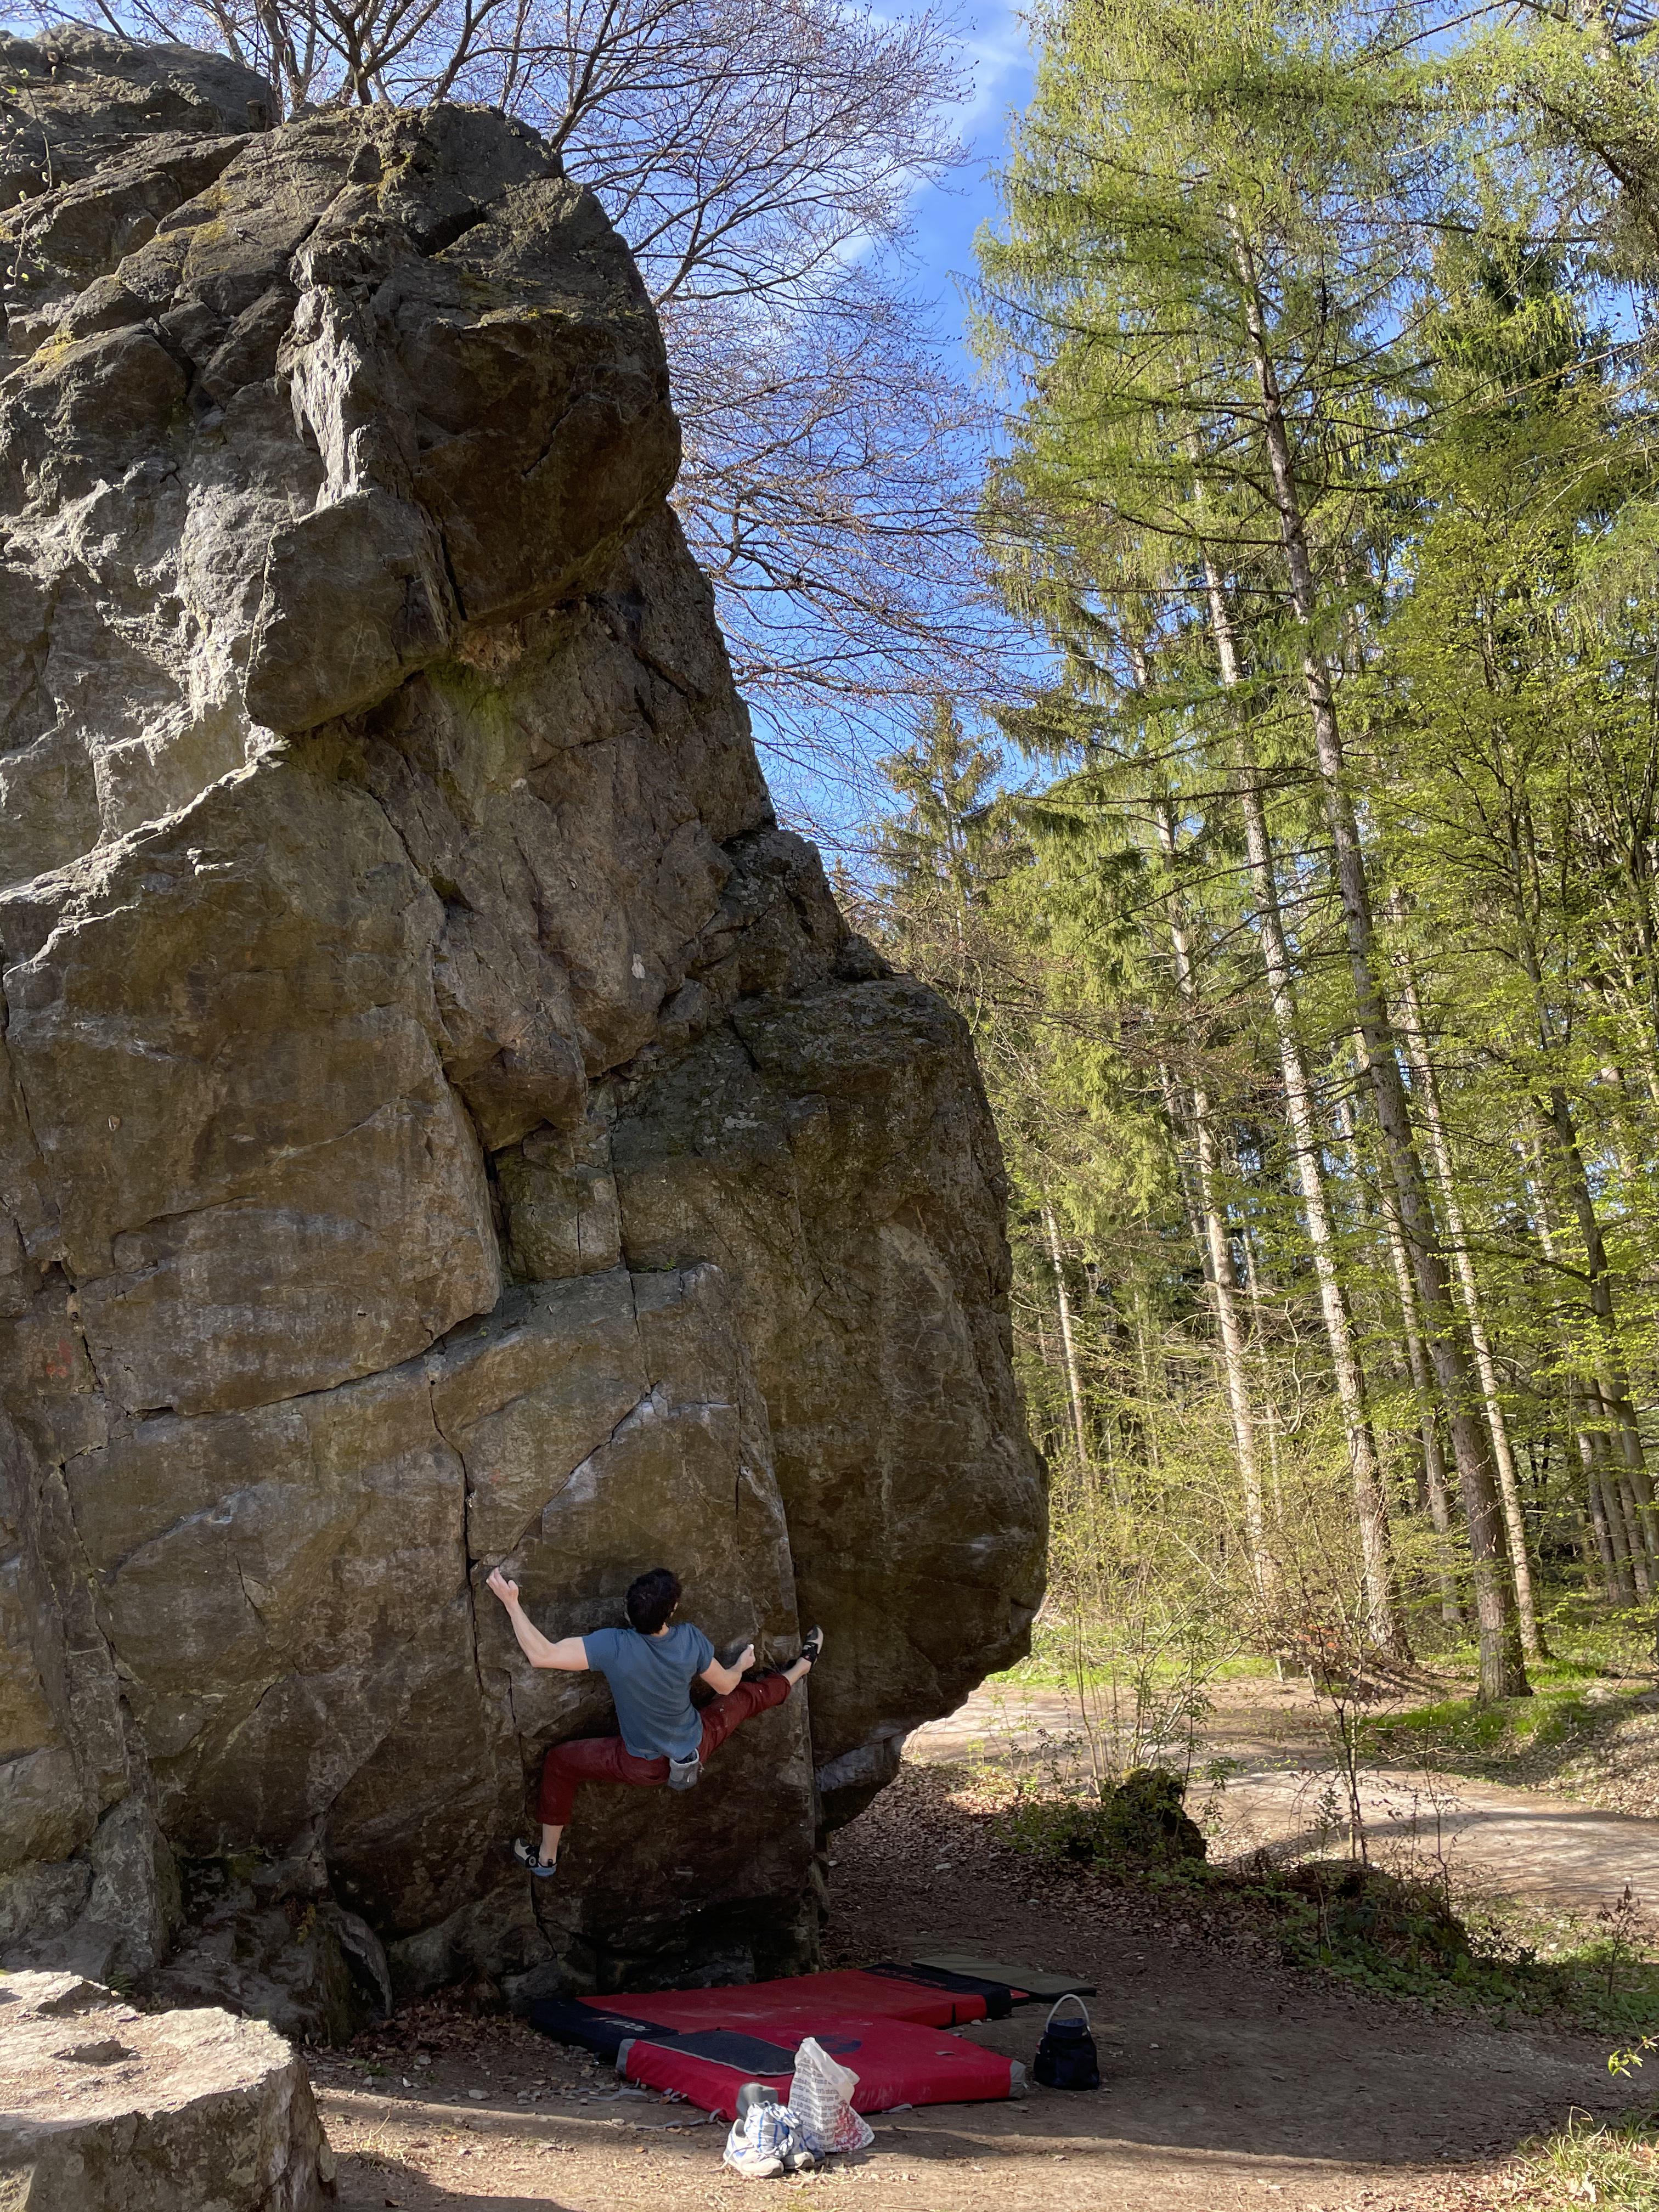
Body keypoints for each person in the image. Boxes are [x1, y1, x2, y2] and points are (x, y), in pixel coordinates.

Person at [485, 1562, 823, 1877]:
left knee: (560, 1762)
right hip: (696, 1743)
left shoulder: (613, 1645)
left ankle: (546, 1858)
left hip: (639, 1765)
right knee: (746, 1699)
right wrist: (741, 1666)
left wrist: (511, 1603)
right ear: (671, 1611)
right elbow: (726, 1686)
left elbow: (542, 1655)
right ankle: (802, 1668)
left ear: (628, 1611)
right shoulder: (690, 1639)